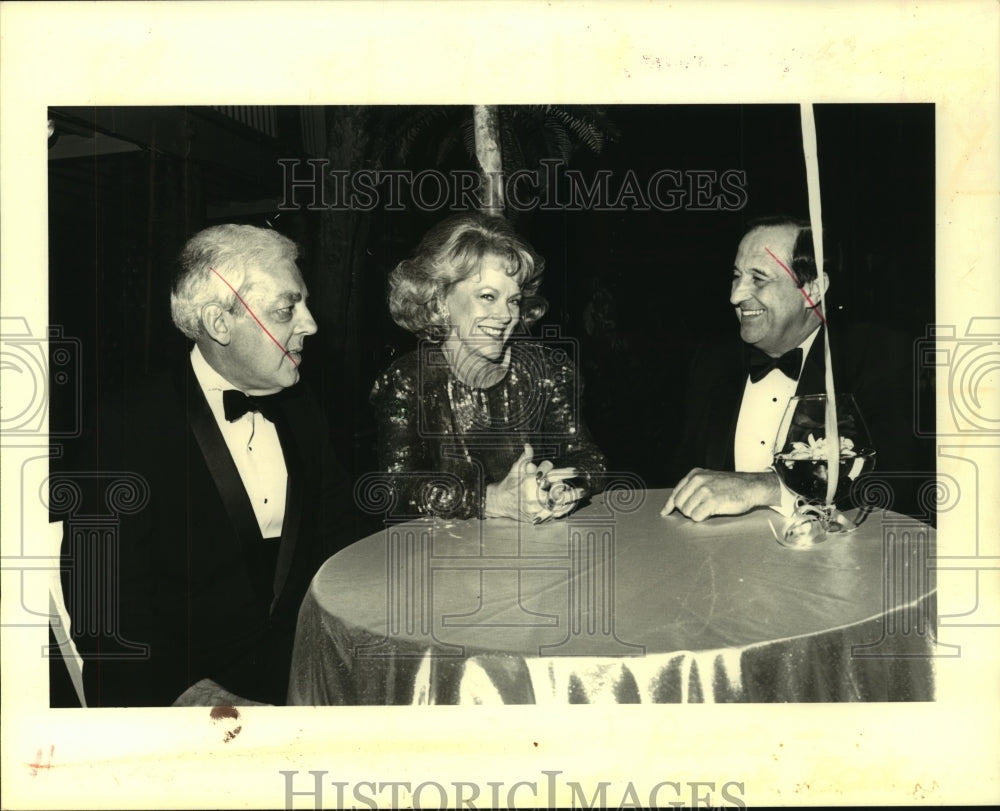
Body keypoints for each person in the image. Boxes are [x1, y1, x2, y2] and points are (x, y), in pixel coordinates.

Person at [65, 224, 358, 706]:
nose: (310, 324)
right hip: (188, 700)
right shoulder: (124, 428)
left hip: (308, 678)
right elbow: (106, 617)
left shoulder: (304, 409)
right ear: (220, 323)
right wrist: (203, 704)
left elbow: (341, 542)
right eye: (288, 309)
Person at [663, 216, 920, 522]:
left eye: (758, 278)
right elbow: (684, 474)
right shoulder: (713, 360)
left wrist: (767, 488)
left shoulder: (875, 356)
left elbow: (897, 480)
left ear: (811, 290)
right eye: (736, 276)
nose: (735, 296)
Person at [370, 212, 607, 523]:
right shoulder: (409, 382)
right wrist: (489, 500)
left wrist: (558, 487)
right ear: (441, 300)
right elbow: (395, 488)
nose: (505, 315)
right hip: (447, 558)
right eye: (487, 297)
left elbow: (589, 460)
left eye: (513, 300)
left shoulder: (548, 371)